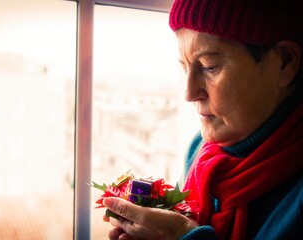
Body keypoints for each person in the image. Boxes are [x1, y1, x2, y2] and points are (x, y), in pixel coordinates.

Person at [102, 0, 303, 239]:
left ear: (284, 63)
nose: (189, 94)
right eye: (185, 68)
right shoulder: (199, 149)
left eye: (210, 67)